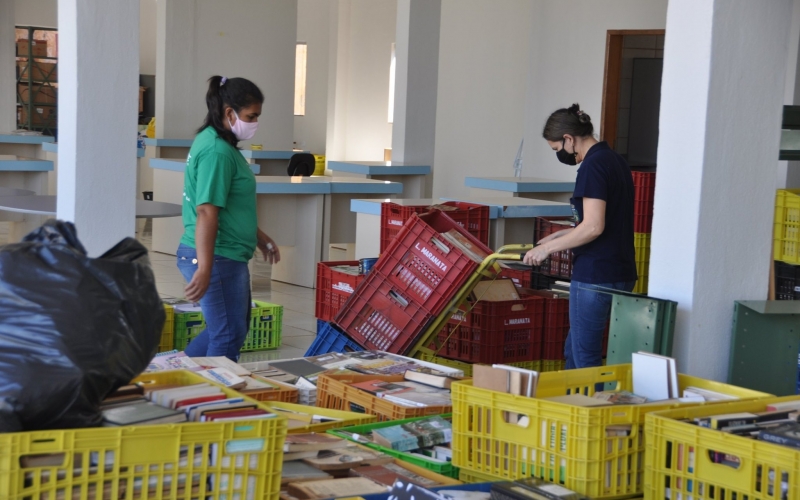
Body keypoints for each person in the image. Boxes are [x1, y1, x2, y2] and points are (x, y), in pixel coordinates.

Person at [523, 103, 637, 369]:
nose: (559, 154)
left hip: (595, 274)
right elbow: (605, 221)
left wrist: (545, 251)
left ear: (568, 139)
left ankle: (588, 409)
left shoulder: (592, 166)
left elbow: (594, 227)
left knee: (583, 358)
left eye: (557, 149)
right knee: (574, 352)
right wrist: (558, 236)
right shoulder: (615, 160)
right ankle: (577, 407)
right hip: (622, 271)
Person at [176, 75, 281, 361]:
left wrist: (258, 236)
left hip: (225, 252)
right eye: (251, 116)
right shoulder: (217, 152)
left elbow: (228, 205)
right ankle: (215, 400)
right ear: (229, 113)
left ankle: (176, 371)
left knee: (229, 328)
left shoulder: (214, 142)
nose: (255, 122)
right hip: (218, 255)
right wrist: (206, 267)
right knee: (227, 334)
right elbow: (207, 210)